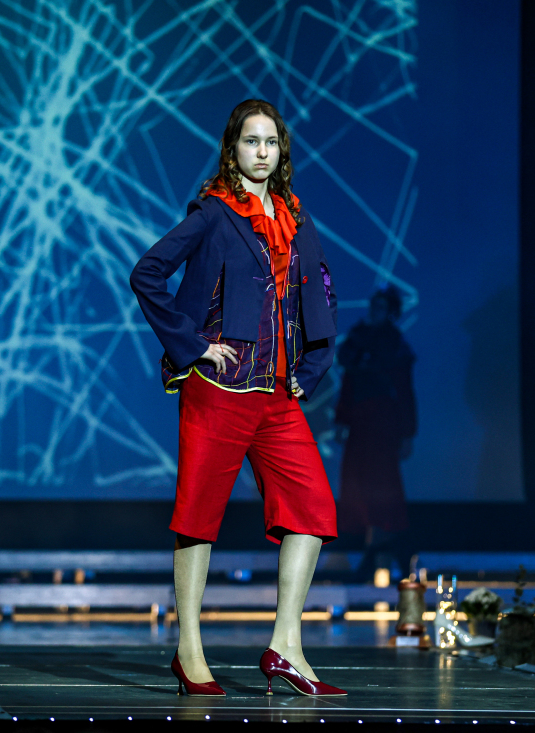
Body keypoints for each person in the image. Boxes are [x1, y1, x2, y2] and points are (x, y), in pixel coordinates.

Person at [130, 99, 344, 697]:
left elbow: (322, 288)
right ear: (233, 149)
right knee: (198, 518)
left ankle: (285, 646)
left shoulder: (295, 215)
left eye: (271, 142)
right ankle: (189, 650)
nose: (262, 152)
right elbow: (148, 273)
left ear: (282, 151)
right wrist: (193, 346)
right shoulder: (215, 212)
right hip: (219, 390)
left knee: (312, 509)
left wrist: (314, 364)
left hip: (276, 396)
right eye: (251, 141)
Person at [334, 287, 417, 579]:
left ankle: (382, 549)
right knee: (359, 486)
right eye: (373, 305)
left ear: (390, 312)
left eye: (381, 307)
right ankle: (383, 549)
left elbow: (404, 391)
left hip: (383, 424)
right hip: (361, 423)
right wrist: (342, 420)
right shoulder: (357, 340)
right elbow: (349, 383)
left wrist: (407, 432)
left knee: (381, 486)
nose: (374, 311)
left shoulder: (394, 344)